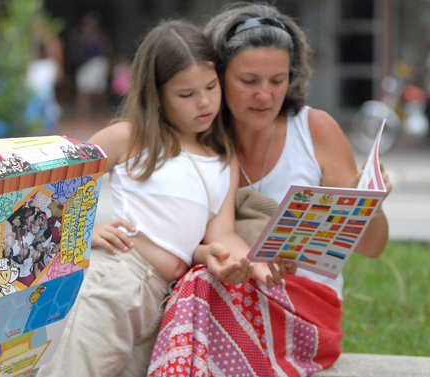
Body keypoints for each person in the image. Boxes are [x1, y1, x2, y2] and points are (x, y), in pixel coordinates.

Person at [148, 3, 393, 376]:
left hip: (306, 311)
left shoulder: (315, 131)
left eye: (277, 81)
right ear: (217, 76)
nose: (265, 95)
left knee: (198, 293)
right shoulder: (198, 141)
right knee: (195, 288)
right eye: (249, 81)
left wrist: (369, 204)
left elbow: (373, 248)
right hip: (223, 292)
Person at [32, 19, 286, 377]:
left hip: (167, 303)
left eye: (211, 87)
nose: (203, 102)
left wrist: (256, 263)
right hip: (116, 283)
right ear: (157, 94)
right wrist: (82, 234)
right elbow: (48, 188)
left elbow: (222, 233)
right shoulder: (129, 138)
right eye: (186, 94)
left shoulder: (222, 157)